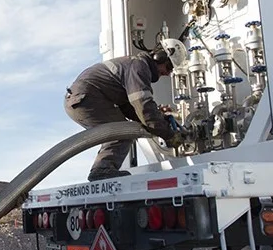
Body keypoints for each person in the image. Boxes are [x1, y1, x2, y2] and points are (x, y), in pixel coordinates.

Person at [64, 43, 186, 182]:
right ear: (159, 57)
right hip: (86, 99)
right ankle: (102, 170)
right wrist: (169, 135)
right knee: (122, 132)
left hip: (83, 99)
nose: (167, 73)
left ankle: (103, 169)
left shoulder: (135, 66)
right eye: (169, 67)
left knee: (122, 130)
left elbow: (131, 108)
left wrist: (159, 119)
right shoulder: (139, 67)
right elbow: (143, 105)